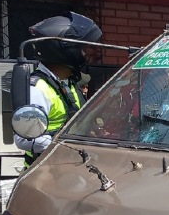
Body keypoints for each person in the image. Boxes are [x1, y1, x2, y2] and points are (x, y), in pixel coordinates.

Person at [13, 11, 102, 166]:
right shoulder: (38, 89)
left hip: (71, 167)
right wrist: (73, 145)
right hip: (45, 173)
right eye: (84, 48)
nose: (90, 53)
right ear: (65, 50)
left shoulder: (69, 82)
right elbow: (23, 139)